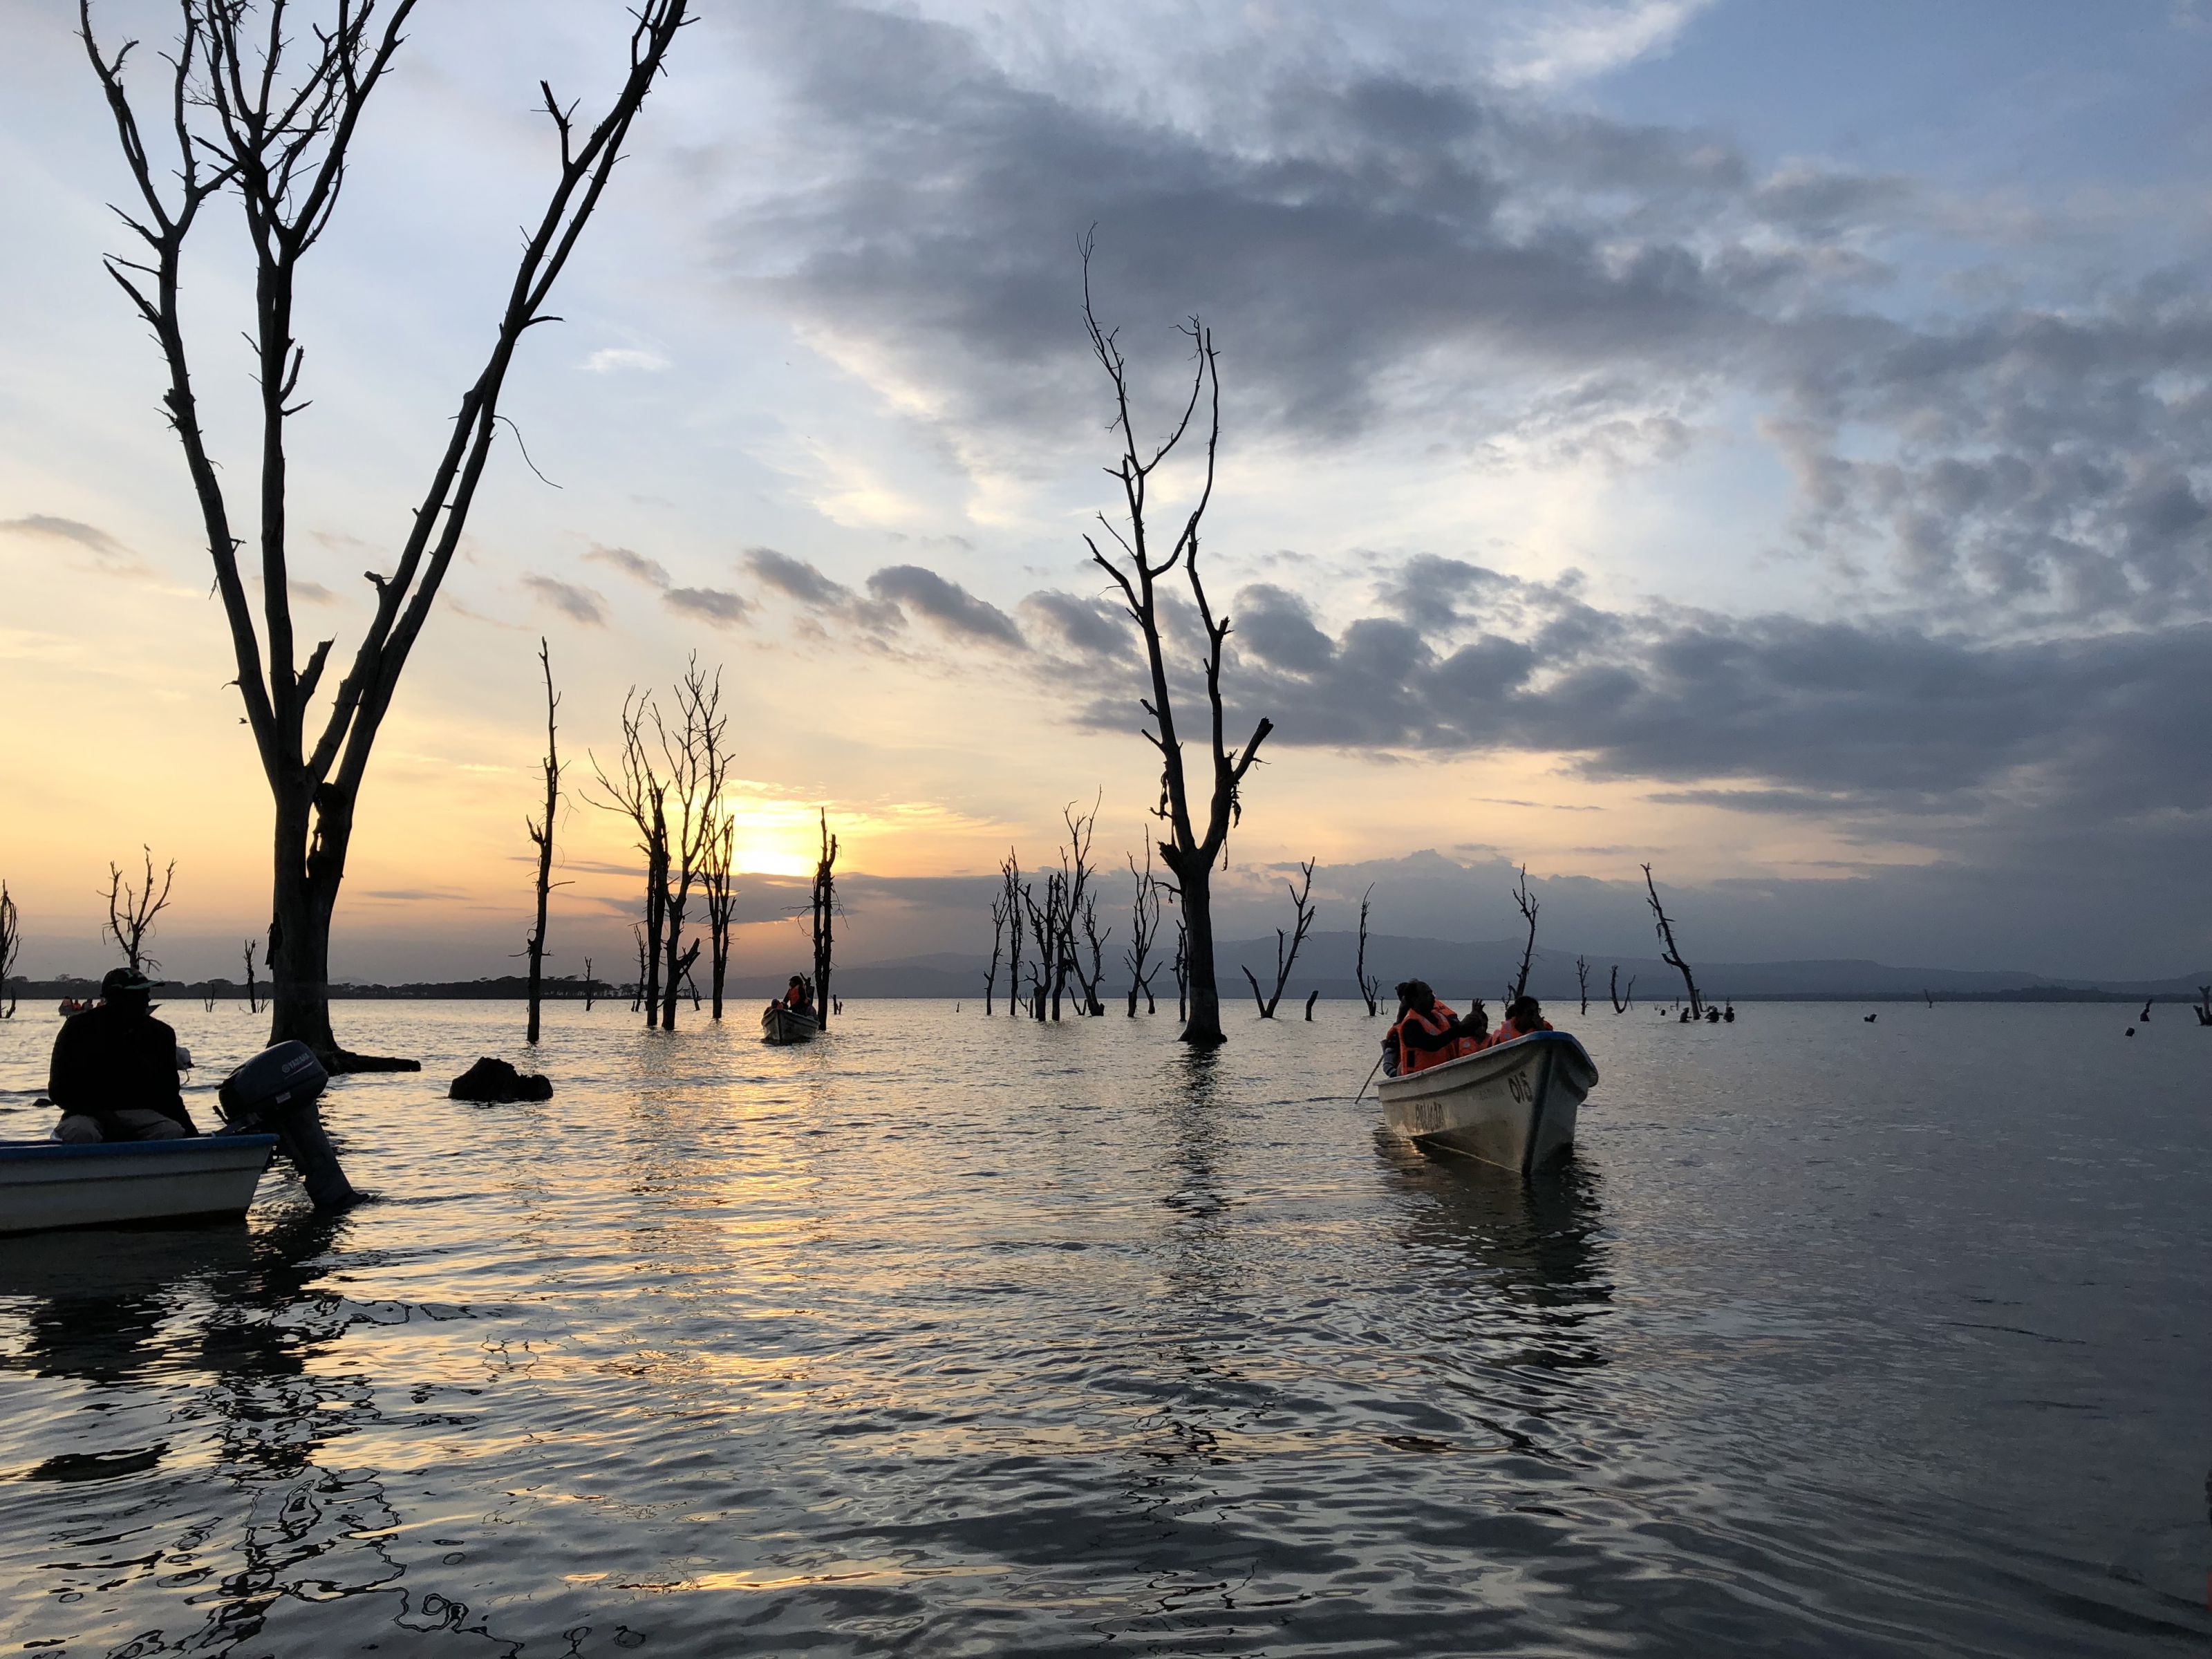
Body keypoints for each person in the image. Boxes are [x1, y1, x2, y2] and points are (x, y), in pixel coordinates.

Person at [48, 968, 200, 1142]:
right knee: (81, 1132)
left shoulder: (161, 1033)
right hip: (85, 1114)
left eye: (147, 993)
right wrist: (104, 1115)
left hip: (140, 1115)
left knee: (172, 1131)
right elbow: (59, 1091)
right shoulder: (78, 1029)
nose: (148, 999)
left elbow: (170, 1095)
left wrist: (193, 1137)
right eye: (140, 994)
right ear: (117, 997)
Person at [1388, 980, 1490, 1076]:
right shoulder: (1410, 1024)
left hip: (1444, 1075)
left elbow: (1462, 1033)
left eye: (1432, 993)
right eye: (1427, 994)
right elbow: (1432, 1044)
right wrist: (1459, 1028)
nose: (1433, 997)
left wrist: (1474, 1018)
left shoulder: (1439, 1017)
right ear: (1415, 999)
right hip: (1420, 1079)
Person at [1491, 995, 1555, 1046]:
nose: (1535, 1016)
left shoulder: (1546, 1029)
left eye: (1537, 1012)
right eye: (1531, 1013)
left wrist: (1541, 1029)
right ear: (1519, 1015)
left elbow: (1552, 1046)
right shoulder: (1503, 1035)